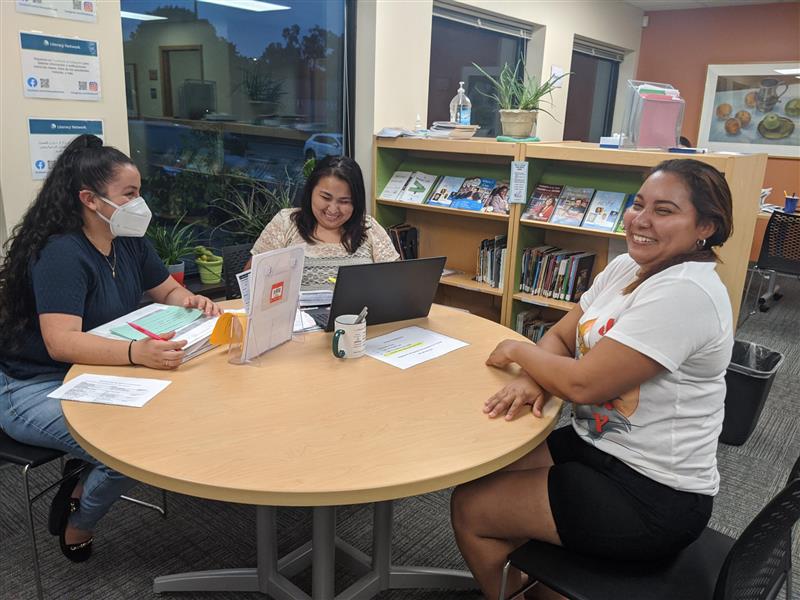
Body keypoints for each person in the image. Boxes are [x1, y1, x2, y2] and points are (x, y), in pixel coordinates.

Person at [450, 159, 734, 600]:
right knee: (490, 466)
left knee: (471, 509)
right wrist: (533, 379)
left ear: (706, 227)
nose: (641, 219)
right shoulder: (626, 268)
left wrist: (520, 352)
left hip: (652, 492)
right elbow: (563, 336)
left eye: (664, 210)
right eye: (638, 204)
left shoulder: (687, 292)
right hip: (596, 447)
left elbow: (584, 385)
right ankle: (543, 583)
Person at [0, 134, 222, 562]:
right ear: (90, 199)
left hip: (95, 369)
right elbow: (60, 342)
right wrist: (138, 354)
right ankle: (79, 522)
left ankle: (80, 477)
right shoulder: (61, 252)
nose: (140, 204)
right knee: (130, 447)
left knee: (169, 416)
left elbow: (166, 292)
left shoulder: (127, 238)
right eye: (130, 194)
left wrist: (190, 301)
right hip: (31, 384)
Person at [249, 155, 399, 288]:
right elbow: (250, 282)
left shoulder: (368, 227)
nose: (333, 209)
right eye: (325, 198)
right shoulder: (286, 223)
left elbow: (397, 282)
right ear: (310, 192)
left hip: (359, 318)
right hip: (299, 319)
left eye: (344, 201)